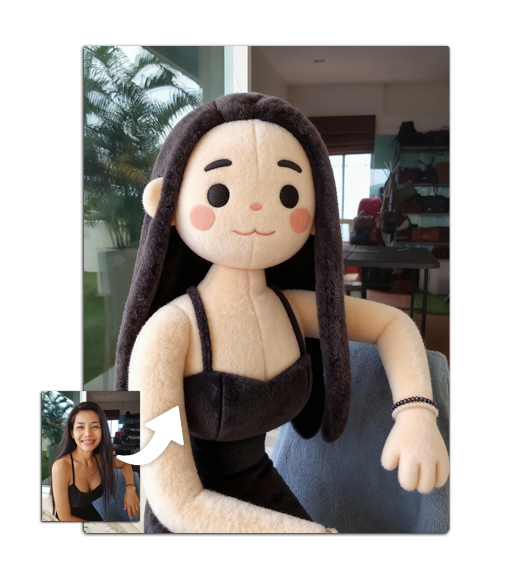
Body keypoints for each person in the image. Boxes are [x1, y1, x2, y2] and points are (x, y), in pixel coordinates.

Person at [115, 93, 449, 533]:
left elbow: (392, 323)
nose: (257, 208)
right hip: (193, 521)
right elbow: (175, 500)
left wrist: (416, 410)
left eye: (288, 193)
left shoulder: (290, 309)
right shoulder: (168, 333)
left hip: (263, 484)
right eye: (219, 192)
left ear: (315, 213)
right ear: (167, 203)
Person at [51, 401, 140, 522]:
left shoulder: (100, 460)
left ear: (102, 431)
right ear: (72, 433)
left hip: (93, 517)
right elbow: (64, 517)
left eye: (95, 426)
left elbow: (125, 463)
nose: (88, 433)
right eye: (80, 427)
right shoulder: (61, 467)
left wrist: (130, 488)